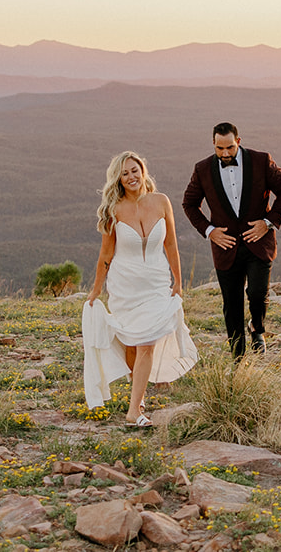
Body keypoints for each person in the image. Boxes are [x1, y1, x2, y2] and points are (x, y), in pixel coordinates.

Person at [82, 150, 197, 426]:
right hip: (125, 287)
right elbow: (106, 255)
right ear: (118, 180)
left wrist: (179, 281)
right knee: (134, 342)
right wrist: (96, 291)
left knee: (147, 343)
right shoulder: (114, 209)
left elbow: (171, 245)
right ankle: (139, 398)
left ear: (143, 171)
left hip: (157, 284)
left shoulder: (161, 202)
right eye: (125, 173)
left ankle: (134, 412)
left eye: (134, 170)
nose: (131, 176)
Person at [182, 122, 281, 358]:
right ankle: (238, 358)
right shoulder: (202, 169)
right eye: (220, 148)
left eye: (230, 148)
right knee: (231, 304)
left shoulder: (261, 161)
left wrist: (267, 223)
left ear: (239, 142)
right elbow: (189, 204)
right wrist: (209, 230)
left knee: (256, 293)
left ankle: (256, 328)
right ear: (213, 144)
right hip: (226, 247)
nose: (225, 153)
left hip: (259, 243)